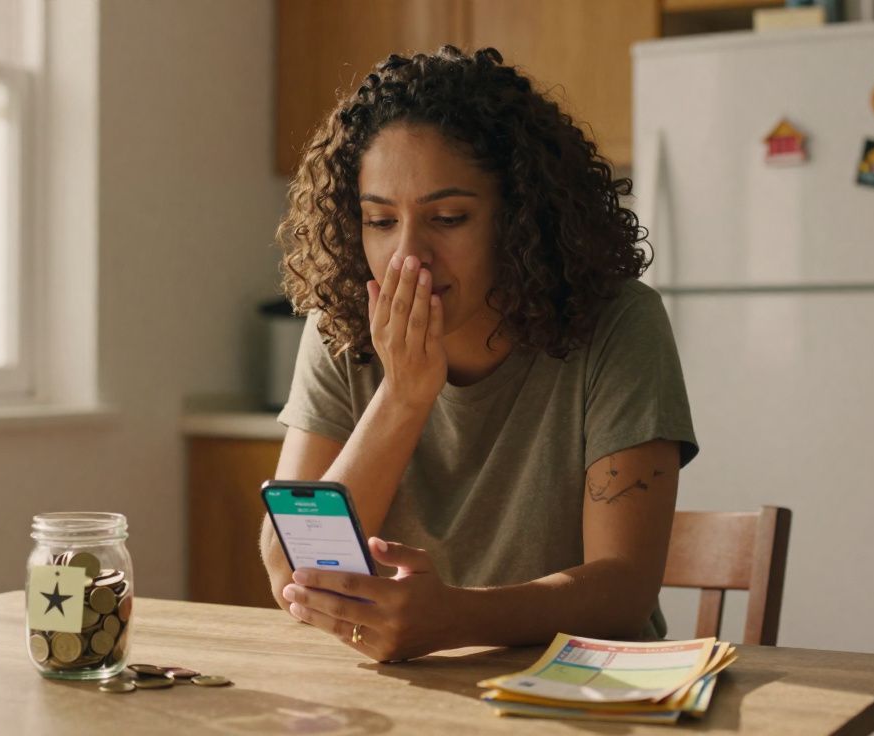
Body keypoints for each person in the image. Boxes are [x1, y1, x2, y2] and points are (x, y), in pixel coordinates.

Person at [262, 45, 699, 663]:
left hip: (583, 687)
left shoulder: (618, 324)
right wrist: (403, 396)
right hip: (407, 689)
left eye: (447, 217)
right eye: (380, 221)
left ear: (522, 218)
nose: (408, 257)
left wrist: (457, 618)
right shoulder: (343, 323)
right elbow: (291, 570)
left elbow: (624, 588)